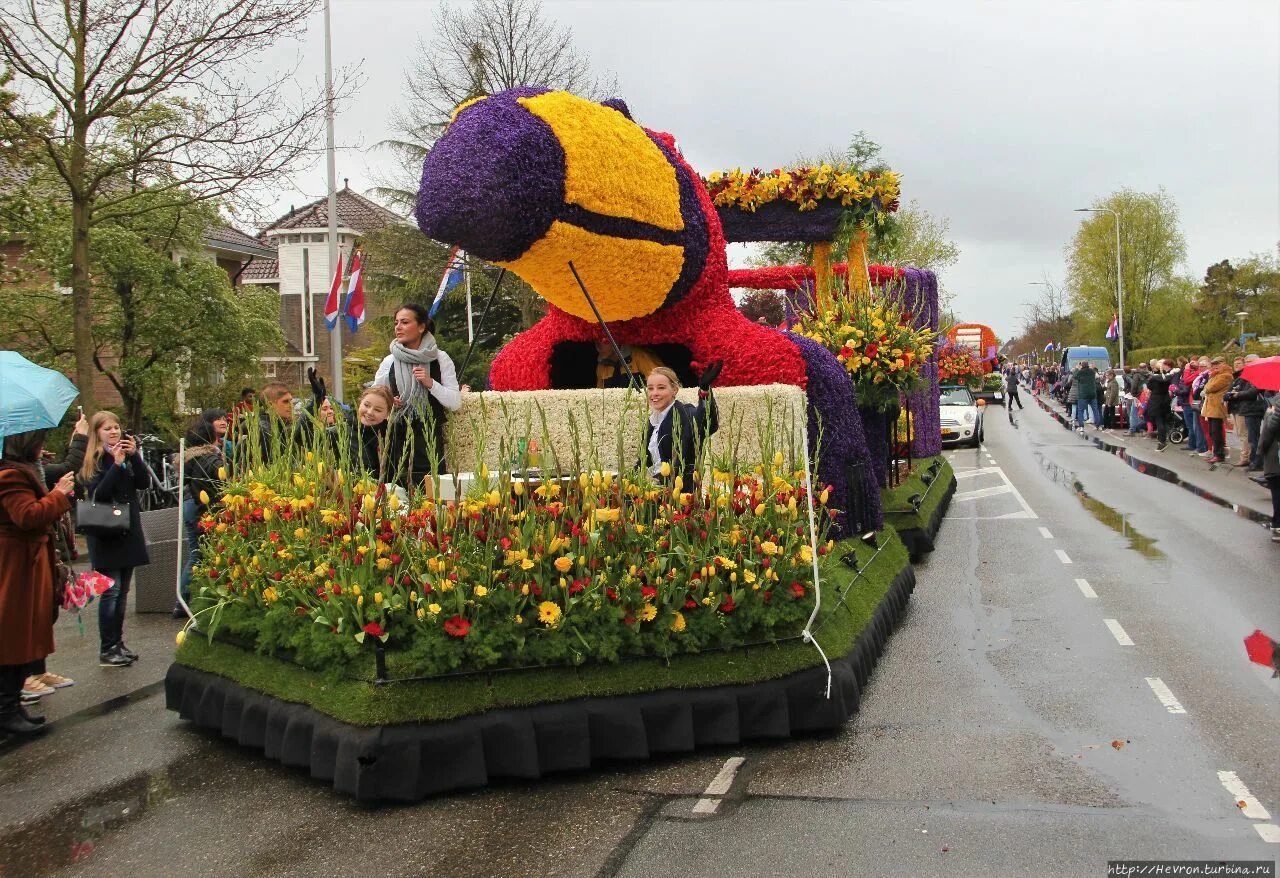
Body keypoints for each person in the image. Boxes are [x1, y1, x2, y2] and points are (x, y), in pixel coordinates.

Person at [0, 428, 76, 736]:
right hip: (17, 565)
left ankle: (12, 705)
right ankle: (6, 710)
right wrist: (58, 494)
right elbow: (27, 516)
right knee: (13, 635)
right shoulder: (10, 476)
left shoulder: (20, 472)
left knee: (22, 634)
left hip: (26, 563)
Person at [20, 413, 89, 701]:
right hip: (20, 556)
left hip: (42, 550)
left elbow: (66, 468)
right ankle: (19, 679)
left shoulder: (32, 467)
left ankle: (37, 668)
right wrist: (82, 437)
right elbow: (27, 515)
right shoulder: (13, 473)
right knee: (20, 617)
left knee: (43, 612)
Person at [80, 412, 150, 667]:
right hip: (106, 532)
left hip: (127, 531)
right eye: (107, 428)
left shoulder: (125, 456)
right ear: (97, 433)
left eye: (117, 427)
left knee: (123, 593)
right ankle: (107, 648)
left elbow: (143, 483)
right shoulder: (95, 461)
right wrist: (117, 466)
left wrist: (134, 457)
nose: (113, 432)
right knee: (111, 591)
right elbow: (99, 494)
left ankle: (118, 643)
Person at [373, 303, 462, 489]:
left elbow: (455, 402)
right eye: (396, 322)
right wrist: (388, 402)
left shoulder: (440, 358)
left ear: (421, 327)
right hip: (398, 441)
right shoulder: (389, 361)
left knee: (434, 496)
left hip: (429, 440)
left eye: (405, 322)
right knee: (398, 497)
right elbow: (374, 398)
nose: (398, 327)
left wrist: (431, 384)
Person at [175, 419, 225, 618]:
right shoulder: (211, 459)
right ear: (212, 437)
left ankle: (183, 599)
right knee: (199, 554)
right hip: (203, 509)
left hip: (190, 506)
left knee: (196, 552)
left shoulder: (190, 458)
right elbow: (221, 483)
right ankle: (185, 598)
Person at [643, 363, 721, 488]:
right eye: (650, 388)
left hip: (680, 493)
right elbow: (645, 460)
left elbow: (708, 422)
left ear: (675, 390)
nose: (654, 393)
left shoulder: (685, 413)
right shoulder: (652, 422)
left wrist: (704, 390)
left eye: (661, 388)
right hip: (655, 489)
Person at [1225, 355, 1266, 470]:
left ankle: (1257, 462)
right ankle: (1254, 461)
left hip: (1254, 409)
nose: (1248, 364)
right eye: (1247, 362)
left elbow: (1253, 391)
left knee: (1253, 437)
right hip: (1247, 408)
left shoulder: (1258, 374)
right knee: (1251, 437)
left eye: (1250, 361)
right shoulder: (1248, 375)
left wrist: (1238, 394)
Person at [249, 382, 296, 466]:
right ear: (270, 405)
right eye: (285, 401)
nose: (291, 405)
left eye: (291, 401)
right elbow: (273, 465)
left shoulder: (283, 426)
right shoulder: (263, 429)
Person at [1200, 357, 1233, 464]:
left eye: (1217, 364)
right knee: (1212, 431)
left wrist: (1207, 388)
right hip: (1211, 407)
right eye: (1213, 364)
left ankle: (1219, 454)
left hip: (1218, 406)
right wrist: (1207, 387)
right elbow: (1206, 386)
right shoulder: (1215, 375)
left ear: (1223, 363)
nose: (1215, 366)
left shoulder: (1226, 375)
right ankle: (1216, 453)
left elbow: (1211, 387)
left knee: (1216, 432)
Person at [1257, 393, 1280, 542]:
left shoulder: (1276, 405)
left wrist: (1269, 413)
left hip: (1275, 453)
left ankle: (1278, 523)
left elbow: (1270, 429)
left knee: (1277, 488)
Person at [596, 340, 663, 389]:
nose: (598, 346)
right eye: (595, 341)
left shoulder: (639, 356)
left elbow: (661, 383)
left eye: (603, 340)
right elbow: (600, 394)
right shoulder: (601, 366)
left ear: (616, 340)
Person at [1144, 360, 1175, 451]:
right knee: (1163, 420)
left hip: (1156, 401)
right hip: (1165, 399)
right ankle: (1163, 438)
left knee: (1159, 421)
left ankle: (1162, 441)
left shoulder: (1153, 378)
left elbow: (1149, 387)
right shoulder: (1167, 377)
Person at [1074, 361, 1101, 432]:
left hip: (1083, 394)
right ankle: (1098, 425)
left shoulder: (1080, 372)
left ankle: (1081, 426)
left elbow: (1074, 376)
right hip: (1092, 394)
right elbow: (1097, 376)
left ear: (1081, 366)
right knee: (1095, 410)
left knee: (1080, 410)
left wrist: (1077, 368)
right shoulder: (1092, 372)